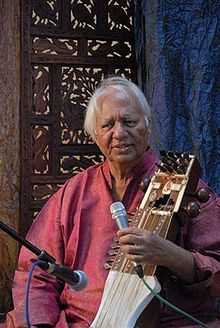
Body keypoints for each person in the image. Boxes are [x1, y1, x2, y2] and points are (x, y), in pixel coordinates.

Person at [7, 76, 220, 327]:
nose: (119, 133)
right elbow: (36, 271)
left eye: (129, 122)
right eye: (108, 125)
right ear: (95, 135)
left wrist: (170, 255)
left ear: (148, 126)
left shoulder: (179, 185)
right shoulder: (74, 193)